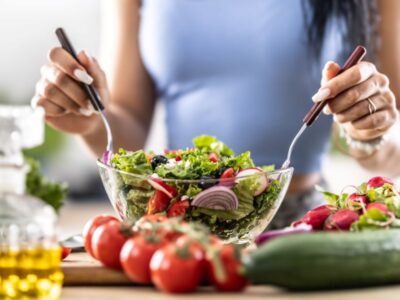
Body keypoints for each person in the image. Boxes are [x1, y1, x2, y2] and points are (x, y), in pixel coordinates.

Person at [32, 0, 400, 228]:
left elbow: (393, 138)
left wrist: (368, 133)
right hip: (171, 220)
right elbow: (127, 132)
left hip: (298, 225)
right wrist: (89, 119)